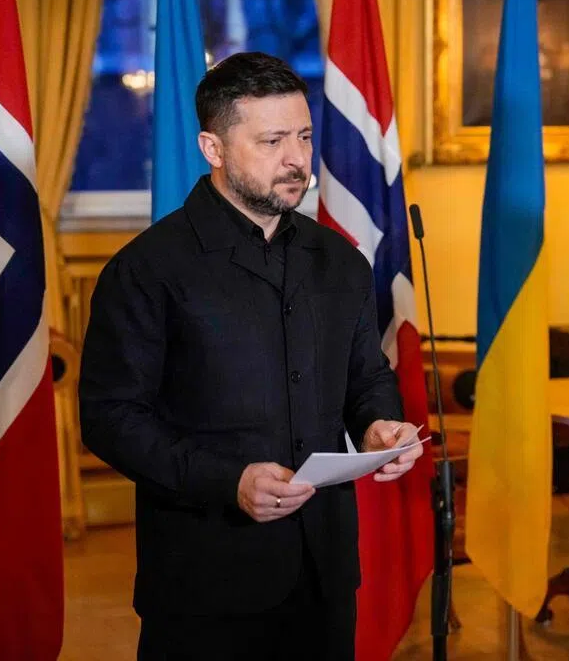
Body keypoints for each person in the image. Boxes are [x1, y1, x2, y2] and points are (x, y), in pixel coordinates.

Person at [79, 51, 423, 660]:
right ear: (213, 148)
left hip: (324, 571)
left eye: (304, 137)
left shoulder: (340, 261)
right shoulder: (146, 270)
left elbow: (366, 376)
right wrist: (228, 481)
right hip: (204, 580)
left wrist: (378, 424)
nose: (296, 159)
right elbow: (110, 419)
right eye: (271, 141)